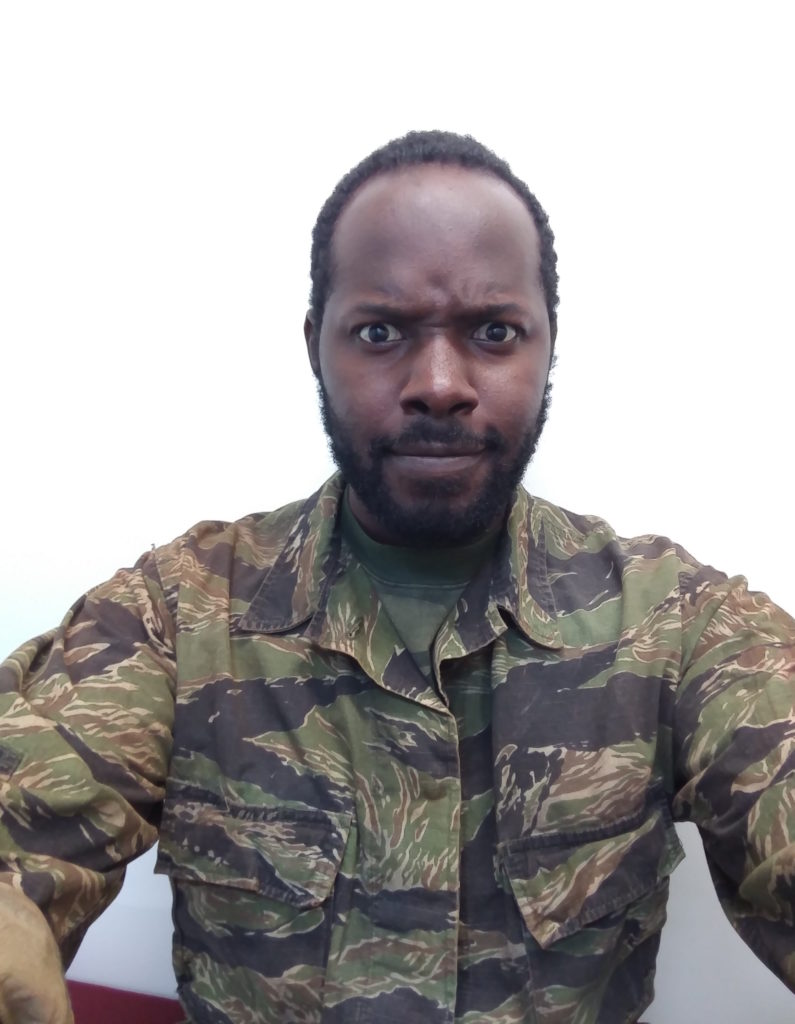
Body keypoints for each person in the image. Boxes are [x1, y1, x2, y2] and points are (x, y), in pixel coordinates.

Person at [0, 130, 793, 1024]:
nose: (439, 384)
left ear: (548, 347)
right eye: (380, 332)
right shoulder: (175, 616)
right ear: (316, 345)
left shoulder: (679, 625)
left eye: (492, 332)